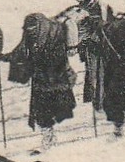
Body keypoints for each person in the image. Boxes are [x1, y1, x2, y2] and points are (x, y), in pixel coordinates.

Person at [7, 13, 76, 148]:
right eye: (29, 31)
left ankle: (56, 139)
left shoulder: (54, 33)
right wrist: (6, 57)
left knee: (59, 109)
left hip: (56, 78)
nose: (31, 33)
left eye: (33, 30)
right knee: (40, 111)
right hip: (40, 80)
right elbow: (21, 50)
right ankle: (48, 138)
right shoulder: (30, 35)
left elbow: (61, 55)